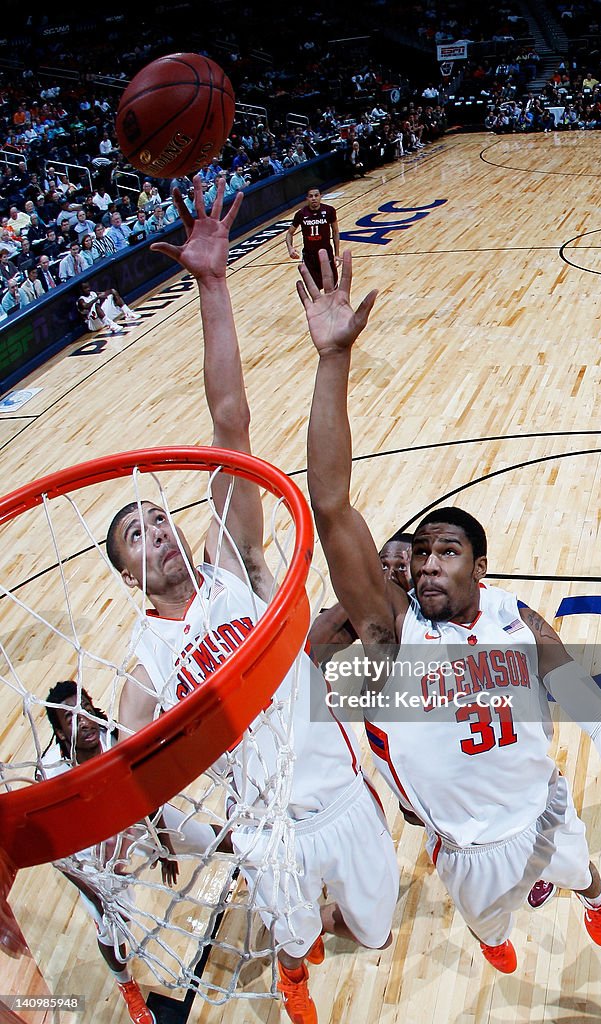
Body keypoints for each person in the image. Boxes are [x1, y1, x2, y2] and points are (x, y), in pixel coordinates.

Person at [298, 250, 601, 975]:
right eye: (420, 553)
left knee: (584, 871)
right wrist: (333, 359)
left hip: (545, 810)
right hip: (469, 846)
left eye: (447, 551)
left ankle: (590, 898)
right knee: (489, 926)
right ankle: (496, 938)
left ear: (480, 567)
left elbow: (598, 717)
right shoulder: (393, 635)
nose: (427, 563)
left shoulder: (521, 624)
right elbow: (331, 505)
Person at [109, 178, 398, 1024]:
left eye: (159, 517)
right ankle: (295, 967)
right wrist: (131, 822)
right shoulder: (143, 658)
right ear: (127, 574)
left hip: (338, 792)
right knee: (294, 936)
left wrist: (214, 287)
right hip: (263, 827)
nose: (156, 532)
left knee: (373, 934)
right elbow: (130, 763)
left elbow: (230, 424)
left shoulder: (233, 564)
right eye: (136, 535)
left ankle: (318, 939)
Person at [40, 680, 231, 1024]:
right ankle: (125, 984)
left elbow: (147, 789)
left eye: (84, 707)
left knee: (207, 838)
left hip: (134, 815)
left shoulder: (116, 737)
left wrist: (165, 842)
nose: (82, 719)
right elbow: (60, 857)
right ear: (58, 731)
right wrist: (95, 894)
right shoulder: (51, 775)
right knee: (112, 930)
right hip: (93, 850)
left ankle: (254, 857)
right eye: (70, 718)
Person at [285, 188, 341, 290]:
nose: (314, 198)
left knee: (333, 286)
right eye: (311, 196)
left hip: (326, 253)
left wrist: (337, 254)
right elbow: (289, 233)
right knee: (315, 289)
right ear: (307, 198)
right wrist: (290, 248)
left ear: (320, 196)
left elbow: (335, 232)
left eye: (316, 195)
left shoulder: (329, 211)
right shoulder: (301, 214)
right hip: (310, 256)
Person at [77, 281, 141, 333]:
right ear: (81, 290)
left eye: (88, 287)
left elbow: (104, 294)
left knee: (113, 292)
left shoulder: (93, 293)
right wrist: (97, 298)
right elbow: (86, 306)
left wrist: (109, 292)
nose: (88, 289)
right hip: (93, 324)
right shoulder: (81, 300)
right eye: (85, 288)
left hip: (101, 318)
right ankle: (111, 325)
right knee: (96, 306)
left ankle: (128, 313)